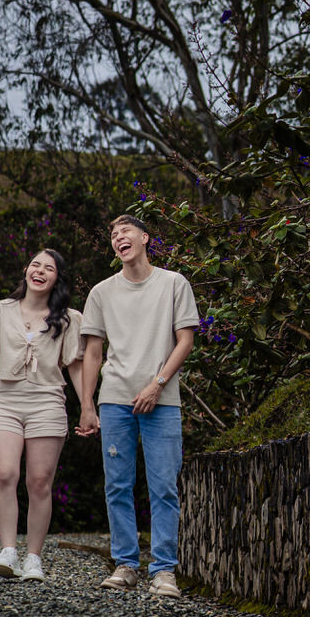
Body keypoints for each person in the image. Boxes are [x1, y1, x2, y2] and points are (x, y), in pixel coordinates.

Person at [76, 214, 198, 597]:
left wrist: (157, 384)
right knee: (118, 485)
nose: (118, 237)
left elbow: (186, 340)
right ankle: (126, 564)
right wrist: (86, 404)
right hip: (114, 399)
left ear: (145, 237)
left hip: (161, 399)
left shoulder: (173, 283)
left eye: (125, 231)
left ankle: (163, 571)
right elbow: (93, 353)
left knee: (163, 486)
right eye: (113, 234)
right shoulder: (101, 293)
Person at [0, 249, 85, 581]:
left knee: (39, 482)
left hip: (47, 402)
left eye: (48, 268)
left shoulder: (68, 319)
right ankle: (8, 550)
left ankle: (33, 558)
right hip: (4, 400)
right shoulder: (1, 311)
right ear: (25, 270)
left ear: (56, 278)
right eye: (35, 265)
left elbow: (75, 367)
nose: (40, 271)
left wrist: (88, 408)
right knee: (4, 473)